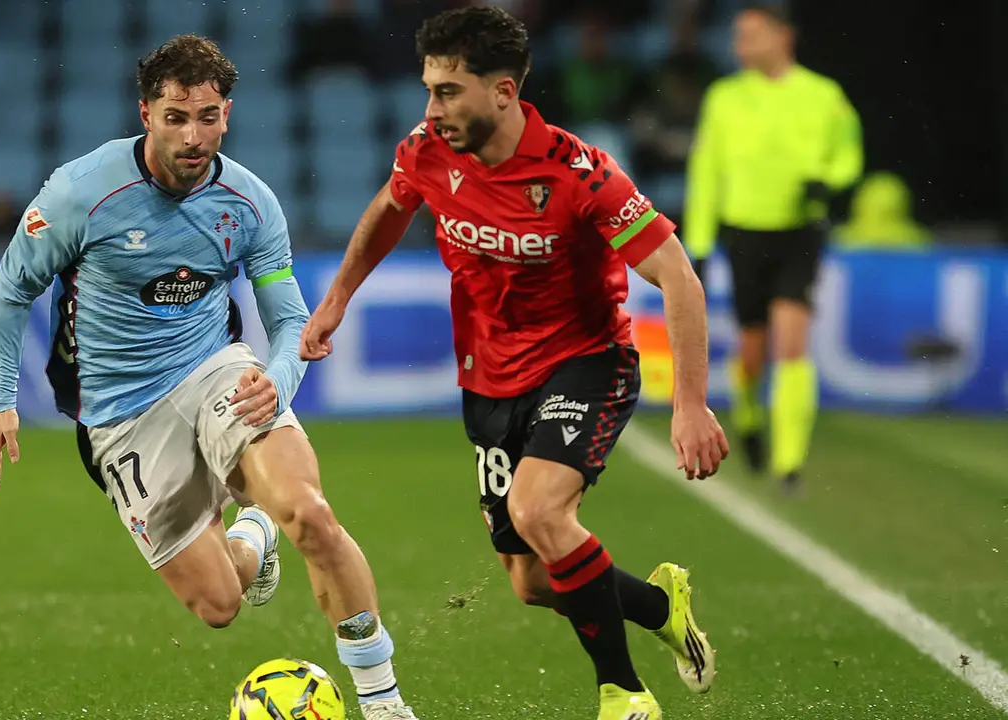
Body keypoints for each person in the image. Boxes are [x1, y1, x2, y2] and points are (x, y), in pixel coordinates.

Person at [299, 7, 727, 720]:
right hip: (489, 380)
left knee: (538, 511)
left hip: (586, 361)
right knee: (531, 581)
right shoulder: (428, 149)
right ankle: (659, 606)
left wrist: (688, 402)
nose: (430, 109)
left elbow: (678, 278)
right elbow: (390, 206)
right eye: (429, 89)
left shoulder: (578, 173)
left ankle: (622, 694)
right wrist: (337, 297)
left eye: (447, 91)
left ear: (502, 91)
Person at [0, 35, 419, 720]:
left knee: (309, 513)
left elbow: (286, 317)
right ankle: (251, 534)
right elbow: (12, 290)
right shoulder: (79, 194)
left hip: (216, 371)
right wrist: (2, 403)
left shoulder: (248, 203)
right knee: (219, 604)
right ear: (146, 113)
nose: (194, 135)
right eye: (177, 117)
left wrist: (278, 377)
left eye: (209, 116)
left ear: (227, 112)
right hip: (119, 414)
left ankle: (383, 700)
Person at [683, 3, 863, 492]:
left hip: (799, 232)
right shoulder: (724, 97)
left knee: (791, 342)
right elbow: (707, 172)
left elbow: (849, 152)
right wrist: (697, 242)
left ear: (784, 36)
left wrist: (828, 182)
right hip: (744, 233)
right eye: (738, 37)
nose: (741, 46)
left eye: (752, 35)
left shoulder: (824, 95)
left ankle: (790, 462)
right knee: (751, 353)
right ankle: (747, 417)